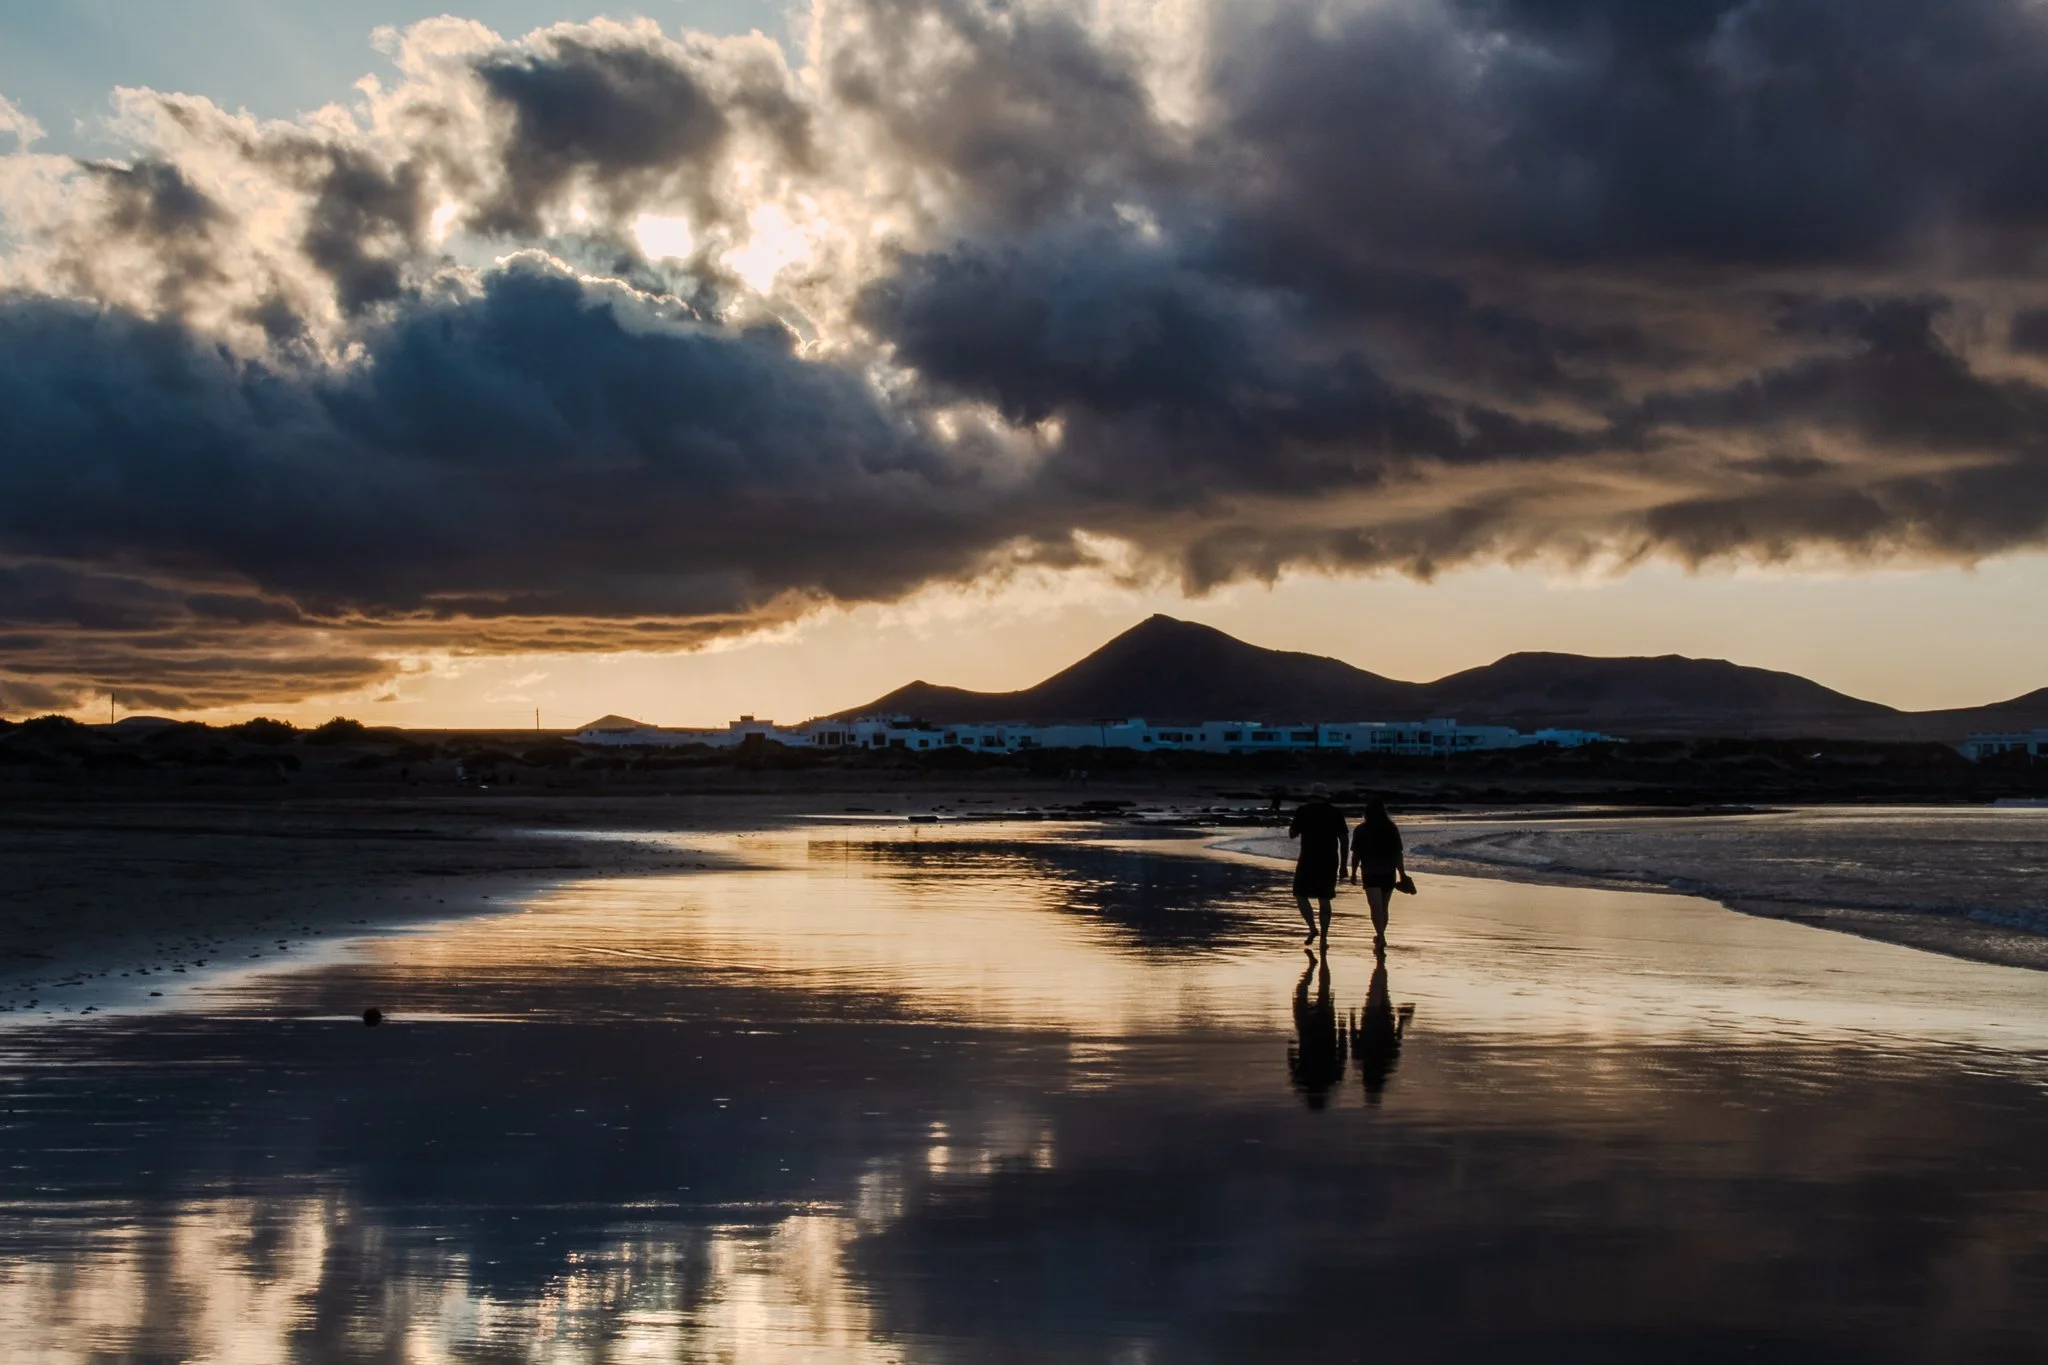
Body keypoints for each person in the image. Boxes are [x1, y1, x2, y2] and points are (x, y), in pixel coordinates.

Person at [1288, 784, 1349, 948]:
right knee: (1325, 899)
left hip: (1307, 859)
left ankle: (1312, 928)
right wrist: (1344, 865)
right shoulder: (1335, 813)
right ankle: (1324, 938)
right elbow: (1344, 840)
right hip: (1329, 861)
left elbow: (1292, 834)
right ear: (1325, 797)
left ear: (1312, 796)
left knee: (1300, 895)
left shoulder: (1303, 811)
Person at [1349, 955, 1413, 1103]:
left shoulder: (1387, 1062)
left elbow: (1397, 1038)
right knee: (1378, 988)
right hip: (1374, 1018)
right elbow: (1354, 1038)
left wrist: (1402, 1020)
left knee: (1381, 988)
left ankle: (1380, 959)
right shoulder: (1365, 1061)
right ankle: (1380, 958)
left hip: (1380, 1019)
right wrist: (1351, 1019)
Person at [1287, 954, 1347, 1109]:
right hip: (1311, 1028)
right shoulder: (1310, 1080)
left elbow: (1342, 1054)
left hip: (1318, 1028)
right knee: (1306, 991)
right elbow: (1342, 1054)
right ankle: (1313, 966)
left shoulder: (1331, 1079)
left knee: (1320, 990)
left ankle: (1313, 966)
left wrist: (1341, 1029)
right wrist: (1342, 1029)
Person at [1349, 798, 1405, 951]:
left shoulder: (1361, 830)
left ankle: (1380, 936)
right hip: (1388, 872)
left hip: (1370, 872)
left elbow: (1356, 855)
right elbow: (1398, 854)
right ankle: (1380, 936)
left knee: (1375, 908)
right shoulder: (1391, 828)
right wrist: (1402, 874)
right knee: (1383, 908)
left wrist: (1353, 873)